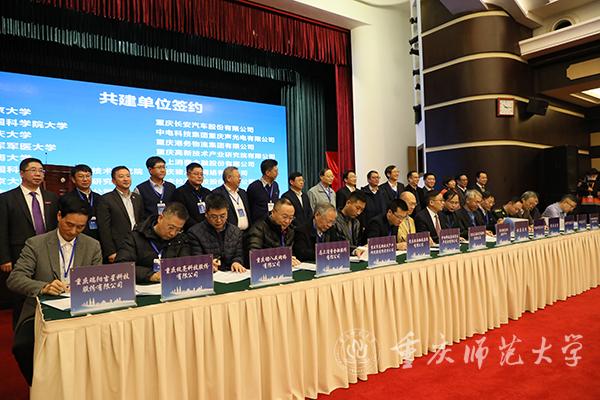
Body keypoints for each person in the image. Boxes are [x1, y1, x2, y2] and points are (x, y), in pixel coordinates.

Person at [7, 195, 102, 385]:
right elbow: (15, 279)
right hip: (39, 311)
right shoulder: (36, 244)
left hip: (81, 310)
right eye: (69, 224)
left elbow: (96, 281)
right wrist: (44, 286)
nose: (73, 231)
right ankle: (39, 387)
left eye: (80, 227)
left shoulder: (92, 246)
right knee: (23, 346)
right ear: (59, 216)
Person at [0, 157, 59, 326]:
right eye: (33, 170)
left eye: (41, 171)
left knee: (48, 291)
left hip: (48, 253)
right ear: (21, 173)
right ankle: (21, 332)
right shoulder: (6, 198)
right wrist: (4, 258)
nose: (38, 174)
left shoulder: (52, 197)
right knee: (21, 297)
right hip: (18, 254)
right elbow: (2, 229)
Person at [115, 202, 190, 283]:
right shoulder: (136, 237)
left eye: (178, 230)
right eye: (171, 227)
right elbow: (121, 266)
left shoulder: (181, 239)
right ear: (160, 218)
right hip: (142, 286)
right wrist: (150, 275)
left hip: (172, 285)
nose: (173, 233)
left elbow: (186, 265)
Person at [97, 166, 144, 263]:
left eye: (128, 176)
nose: (126, 179)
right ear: (113, 181)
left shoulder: (137, 198)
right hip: (118, 246)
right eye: (121, 176)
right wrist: (110, 251)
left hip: (138, 245)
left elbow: (141, 221)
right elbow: (104, 228)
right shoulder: (106, 199)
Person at [187, 193, 246, 272]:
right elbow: (196, 259)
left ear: (227, 214)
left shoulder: (236, 231)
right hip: (209, 274)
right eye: (214, 216)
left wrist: (237, 262)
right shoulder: (194, 233)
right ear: (206, 214)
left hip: (231, 272)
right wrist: (207, 264)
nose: (219, 220)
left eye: (222, 216)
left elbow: (238, 254)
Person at [246, 198, 300, 266]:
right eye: (284, 217)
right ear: (273, 212)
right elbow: (254, 257)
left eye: (291, 218)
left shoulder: (290, 230)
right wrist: (282, 259)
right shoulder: (258, 228)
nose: (287, 221)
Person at [61, 164, 100, 240]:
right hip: (77, 237)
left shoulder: (99, 198)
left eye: (88, 176)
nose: (85, 179)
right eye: (81, 176)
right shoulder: (66, 198)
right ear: (73, 179)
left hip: (97, 238)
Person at [171, 162, 212, 230]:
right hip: (189, 230)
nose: (199, 176)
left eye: (201, 174)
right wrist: (198, 227)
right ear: (188, 175)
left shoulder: (207, 192)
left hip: (208, 229)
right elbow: (181, 214)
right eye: (196, 174)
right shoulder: (179, 192)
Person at [212, 166, 251, 233]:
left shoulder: (243, 192)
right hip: (229, 234)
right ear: (228, 178)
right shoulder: (217, 193)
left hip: (246, 233)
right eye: (238, 177)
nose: (240, 179)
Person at [246, 159, 280, 224]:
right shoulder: (253, 187)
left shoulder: (275, 185)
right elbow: (249, 207)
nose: (278, 174)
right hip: (258, 224)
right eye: (275, 171)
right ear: (267, 173)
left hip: (273, 223)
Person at [333, 191, 367, 256]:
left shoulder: (357, 223)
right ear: (348, 203)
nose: (359, 212)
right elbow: (338, 245)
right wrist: (355, 249)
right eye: (357, 208)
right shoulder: (334, 220)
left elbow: (357, 243)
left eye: (362, 210)